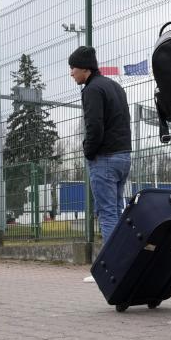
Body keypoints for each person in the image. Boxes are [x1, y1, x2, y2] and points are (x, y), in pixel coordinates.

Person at [69, 46, 132, 244]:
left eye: (73, 68)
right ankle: (122, 265)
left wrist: (88, 151)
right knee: (116, 210)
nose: (71, 73)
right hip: (123, 156)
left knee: (106, 214)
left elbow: (94, 126)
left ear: (86, 69)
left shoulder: (92, 89)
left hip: (105, 158)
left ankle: (112, 269)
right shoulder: (115, 86)